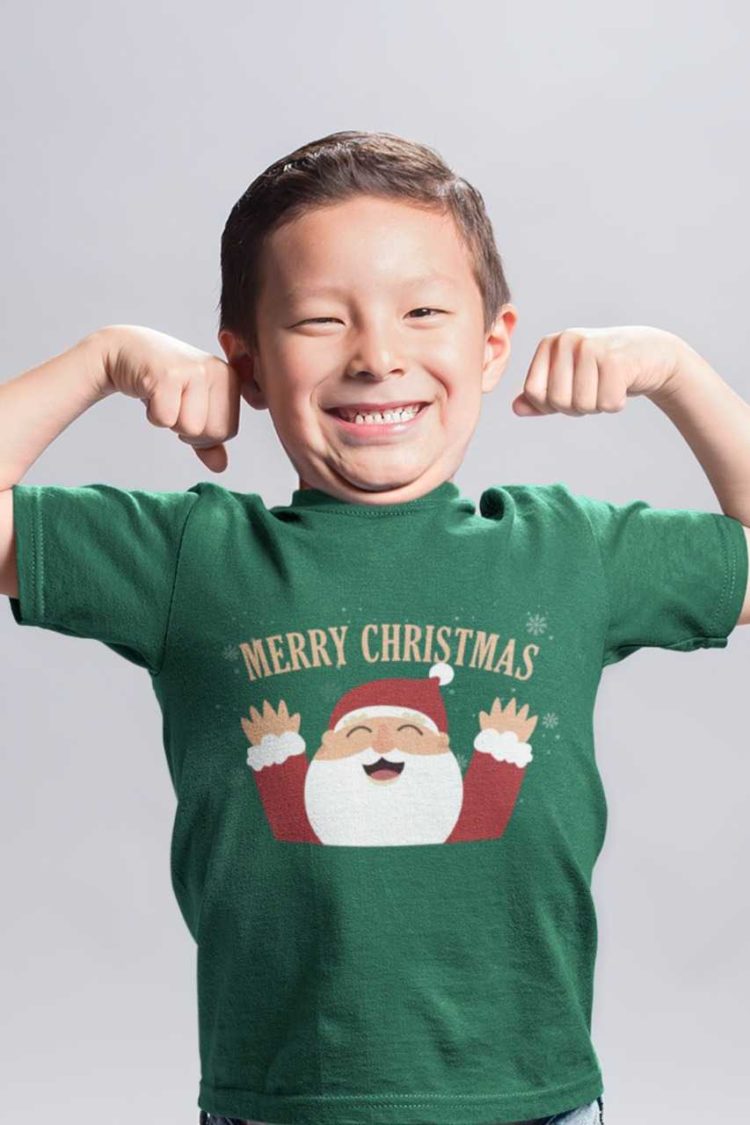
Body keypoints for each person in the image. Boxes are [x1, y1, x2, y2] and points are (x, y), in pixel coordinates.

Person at [1, 130, 748, 1125]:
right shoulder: (196, 557)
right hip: (281, 1106)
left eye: (424, 312)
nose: (378, 356)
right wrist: (104, 360)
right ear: (248, 364)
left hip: (534, 1102)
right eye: (318, 320)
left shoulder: (568, 550)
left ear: (491, 346)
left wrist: (678, 372)